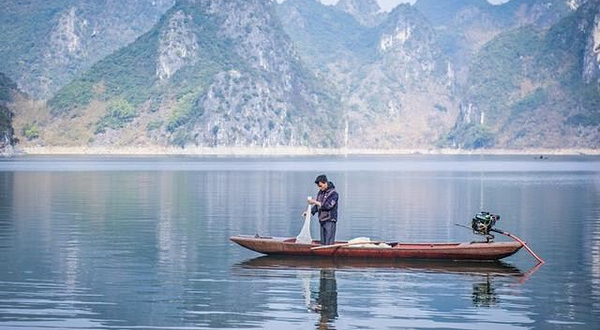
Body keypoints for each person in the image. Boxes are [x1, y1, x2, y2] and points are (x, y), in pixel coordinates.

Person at [305, 174, 339, 245]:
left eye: (320, 186)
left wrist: (314, 201)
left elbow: (328, 206)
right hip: (322, 220)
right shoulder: (320, 193)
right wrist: (309, 212)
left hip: (330, 220)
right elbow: (317, 206)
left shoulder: (334, 194)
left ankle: (329, 254)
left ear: (325, 182)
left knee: (328, 243)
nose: (319, 188)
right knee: (323, 243)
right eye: (318, 186)